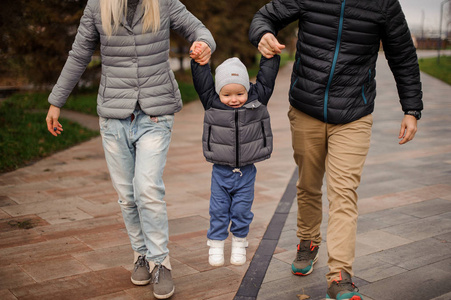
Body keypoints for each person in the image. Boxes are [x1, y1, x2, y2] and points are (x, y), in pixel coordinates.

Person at [249, 0, 423, 299]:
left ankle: (340, 275)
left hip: (354, 113)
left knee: (343, 192)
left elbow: (403, 55)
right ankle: (308, 241)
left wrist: (412, 109)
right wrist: (263, 33)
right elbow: (265, 15)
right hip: (306, 107)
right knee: (307, 184)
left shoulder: (383, 4)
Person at [45, 0, 215, 298]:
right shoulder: (97, 6)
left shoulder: (163, 3)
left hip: (155, 113)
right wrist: (56, 101)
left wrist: (203, 43)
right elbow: (80, 53)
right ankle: (141, 254)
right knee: (127, 195)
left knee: (147, 188)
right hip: (114, 117)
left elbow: (199, 29)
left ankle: (160, 261)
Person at [191, 54, 280, 266]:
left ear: (247, 91)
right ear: (218, 93)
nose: (234, 99)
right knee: (219, 210)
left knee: (241, 210)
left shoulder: (256, 102)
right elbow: (202, 80)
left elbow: (267, 77)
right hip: (220, 172)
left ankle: (240, 241)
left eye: (240, 93)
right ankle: (216, 243)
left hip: (246, 172)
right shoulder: (212, 103)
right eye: (227, 94)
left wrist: (270, 55)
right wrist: (199, 60)